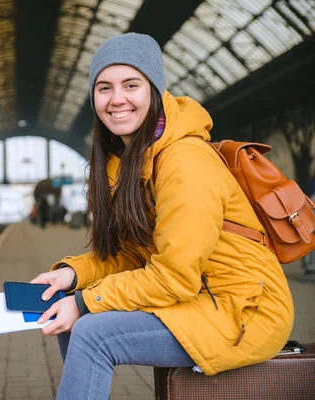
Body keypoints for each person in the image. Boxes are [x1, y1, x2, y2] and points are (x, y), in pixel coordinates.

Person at [30, 32, 293, 399]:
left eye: (131, 84)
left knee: (91, 330)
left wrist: (85, 302)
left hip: (244, 311)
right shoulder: (127, 162)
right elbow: (135, 258)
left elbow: (174, 275)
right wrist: (73, 275)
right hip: (199, 298)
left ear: (153, 90)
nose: (116, 98)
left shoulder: (184, 161)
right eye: (104, 87)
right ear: (93, 97)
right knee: (75, 316)